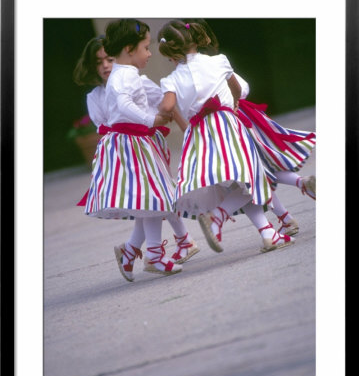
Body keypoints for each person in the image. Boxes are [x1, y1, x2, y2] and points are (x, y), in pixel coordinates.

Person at [157, 20, 295, 254]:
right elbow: (238, 89)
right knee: (249, 178)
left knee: (236, 185)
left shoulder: (170, 80)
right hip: (226, 126)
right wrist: (233, 103)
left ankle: (268, 232)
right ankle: (219, 216)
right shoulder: (219, 61)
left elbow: (168, 106)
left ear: (170, 51)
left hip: (200, 134)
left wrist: (162, 109)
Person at [76, 21, 199, 281]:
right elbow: (123, 103)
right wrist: (149, 120)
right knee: (153, 199)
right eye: (146, 47)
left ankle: (134, 251)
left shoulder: (126, 73)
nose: (150, 53)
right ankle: (153, 254)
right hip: (131, 144)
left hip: (137, 143)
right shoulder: (125, 75)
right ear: (130, 49)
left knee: (152, 200)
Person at [183, 19, 316, 236]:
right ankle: (289, 209)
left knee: (249, 176)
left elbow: (236, 90)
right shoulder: (216, 61)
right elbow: (244, 87)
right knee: (256, 171)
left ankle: (287, 206)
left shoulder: (201, 69)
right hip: (243, 118)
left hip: (230, 122)